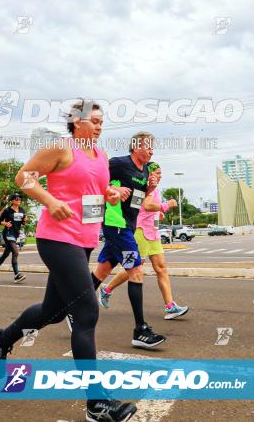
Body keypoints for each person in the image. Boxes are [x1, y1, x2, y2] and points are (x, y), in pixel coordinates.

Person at [0, 99, 136, 422]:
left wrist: (112, 193)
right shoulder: (61, 148)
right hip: (56, 238)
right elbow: (23, 177)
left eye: (101, 120)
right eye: (94, 120)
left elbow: (96, 190)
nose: (99, 125)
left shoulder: (102, 155)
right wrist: (50, 200)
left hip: (83, 241)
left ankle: (1, 339)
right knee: (86, 311)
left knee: (52, 311)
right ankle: (96, 403)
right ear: (76, 122)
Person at [90, 131, 166, 349]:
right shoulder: (119, 163)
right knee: (136, 270)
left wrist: (150, 187)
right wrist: (112, 189)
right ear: (135, 147)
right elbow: (94, 177)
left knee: (102, 271)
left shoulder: (144, 172)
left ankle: (71, 309)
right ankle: (140, 330)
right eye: (148, 146)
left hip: (127, 227)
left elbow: (140, 203)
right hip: (116, 225)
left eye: (153, 147)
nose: (152, 150)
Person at [99, 162, 189, 319]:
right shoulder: (144, 188)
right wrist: (165, 206)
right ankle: (106, 290)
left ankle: (170, 306)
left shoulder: (154, 189)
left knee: (161, 268)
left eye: (161, 173)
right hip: (139, 233)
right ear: (149, 174)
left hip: (152, 234)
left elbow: (145, 209)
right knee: (133, 268)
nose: (160, 176)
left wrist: (158, 214)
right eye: (157, 173)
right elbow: (146, 206)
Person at [0, 193, 27, 283]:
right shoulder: (7, 210)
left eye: (20, 199)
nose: (19, 200)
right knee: (15, 251)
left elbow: (23, 223)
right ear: (12, 200)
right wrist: (5, 223)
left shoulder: (22, 210)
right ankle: (16, 275)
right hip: (8, 233)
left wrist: (25, 220)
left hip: (15, 234)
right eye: (16, 198)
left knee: (5, 254)